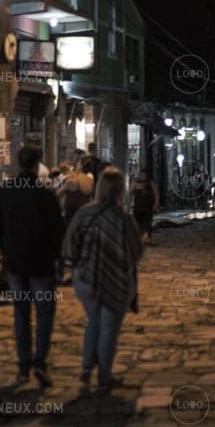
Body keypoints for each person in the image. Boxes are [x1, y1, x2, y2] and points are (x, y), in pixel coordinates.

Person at [0, 146, 64, 388]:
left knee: (21, 314)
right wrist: (53, 255)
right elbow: (58, 231)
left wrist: (7, 249)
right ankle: (39, 362)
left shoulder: (5, 192)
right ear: (36, 165)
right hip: (42, 264)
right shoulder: (46, 195)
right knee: (44, 314)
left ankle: (23, 366)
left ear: (19, 165)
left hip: (16, 263)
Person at [65, 167, 144, 392]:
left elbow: (70, 247)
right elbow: (136, 251)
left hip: (86, 279)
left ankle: (86, 369)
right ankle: (104, 375)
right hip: (116, 280)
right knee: (108, 327)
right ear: (121, 190)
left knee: (94, 321)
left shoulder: (84, 214)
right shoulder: (124, 219)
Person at [130, 169, 159, 244]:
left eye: (144, 175)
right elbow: (130, 193)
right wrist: (129, 204)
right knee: (137, 224)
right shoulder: (136, 183)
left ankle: (147, 239)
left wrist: (155, 205)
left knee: (147, 224)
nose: (143, 177)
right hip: (138, 207)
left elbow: (156, 194)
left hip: (147, 208)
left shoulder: (151, 184)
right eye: (142, 175)